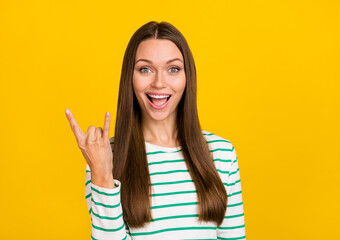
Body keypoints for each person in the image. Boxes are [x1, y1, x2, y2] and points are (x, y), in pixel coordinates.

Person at [65, 21, 246, 240]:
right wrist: (103, 175)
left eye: (173, 69)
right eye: (145, 69)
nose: (159, 83)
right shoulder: (105, 157)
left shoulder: (222, 154)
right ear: (129, 78)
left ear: (187, 77)